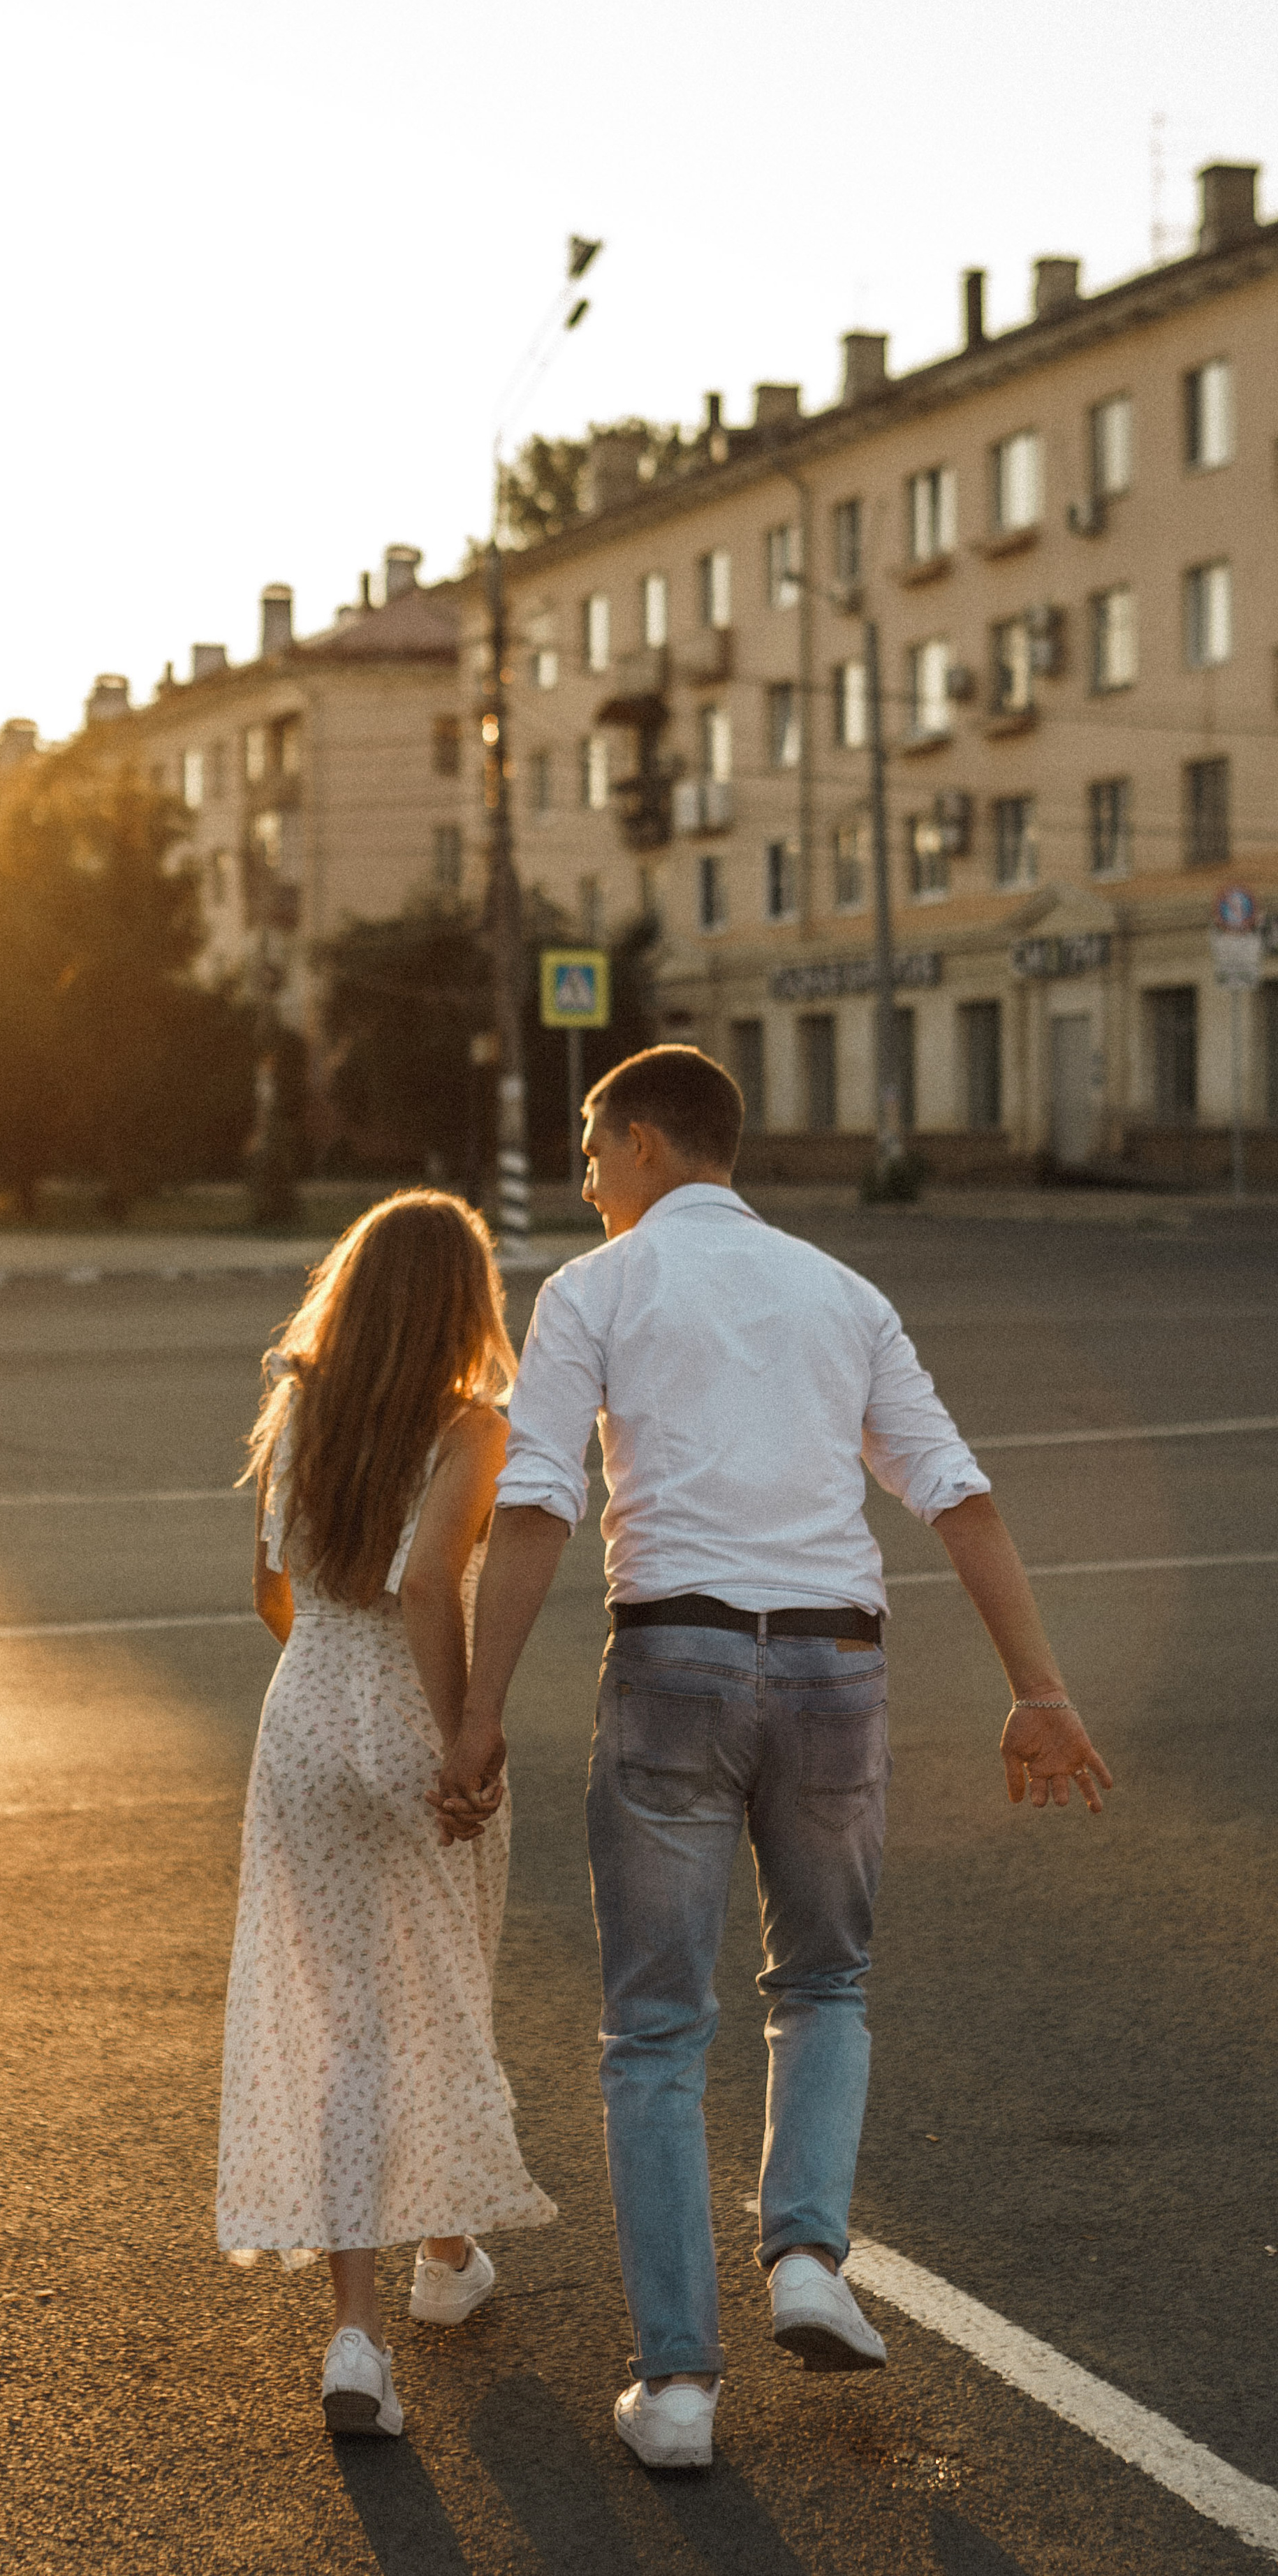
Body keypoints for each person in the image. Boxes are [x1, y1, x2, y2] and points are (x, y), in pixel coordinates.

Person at [434, 1047, 1112, 2473]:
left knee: (655, 2035)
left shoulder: (595, 1291)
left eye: (583, 1149)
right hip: (833, 1668)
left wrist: (479, 1709)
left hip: (673, 1661)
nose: (578, 1177)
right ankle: (805, 2256)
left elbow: (540, 1504)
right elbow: (956, 1494)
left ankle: (676, 2387)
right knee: (822, 1982)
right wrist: (1035, 1688)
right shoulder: (841, 1295)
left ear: (639, 1146)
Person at [216, 1190, 556, 2440]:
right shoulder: (473, 1428)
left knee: (350, 2019)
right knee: (447, 1985)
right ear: (466, 1306)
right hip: (416, 1717)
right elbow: (429, 1586)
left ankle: (362, 2330)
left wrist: (327, 1680)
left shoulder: (301, 1408)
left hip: (303, 1714)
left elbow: (269, 1589)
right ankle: (441, 2256)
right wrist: (464, 1735)